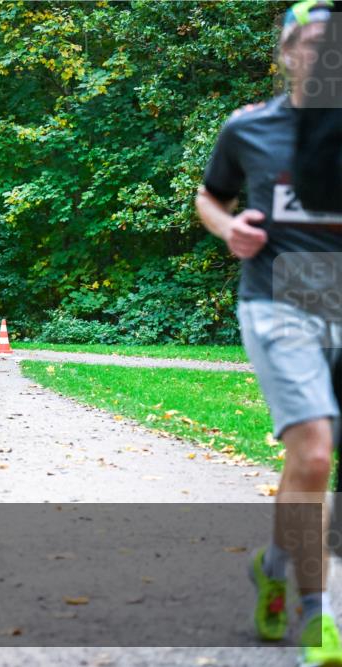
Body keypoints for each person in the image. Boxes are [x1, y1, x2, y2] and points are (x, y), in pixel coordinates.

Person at [195, 3, 342, 663]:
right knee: (315, 455)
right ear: (285, 54)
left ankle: (274, 564)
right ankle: (320, 616)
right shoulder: (248, 128)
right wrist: (231, 231)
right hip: (277, 298)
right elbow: (209, 196)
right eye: (308, 43)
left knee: (304, 465)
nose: (321, 54)